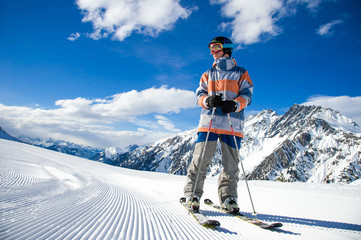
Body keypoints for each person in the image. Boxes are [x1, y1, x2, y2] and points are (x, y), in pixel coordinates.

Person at [183, 36, 253, 213]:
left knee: (231, 165)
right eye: (210, 48)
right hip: (209, 122)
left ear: (226, 48)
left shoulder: (241, 73)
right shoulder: (208, 73)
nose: (212, 51)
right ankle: (192, 194)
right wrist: (207, 100)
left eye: (215, 47)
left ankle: (228, 198)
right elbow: (199, 94)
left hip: (232, 124)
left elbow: (247, 95)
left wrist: (235, 104)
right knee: (200, 160)